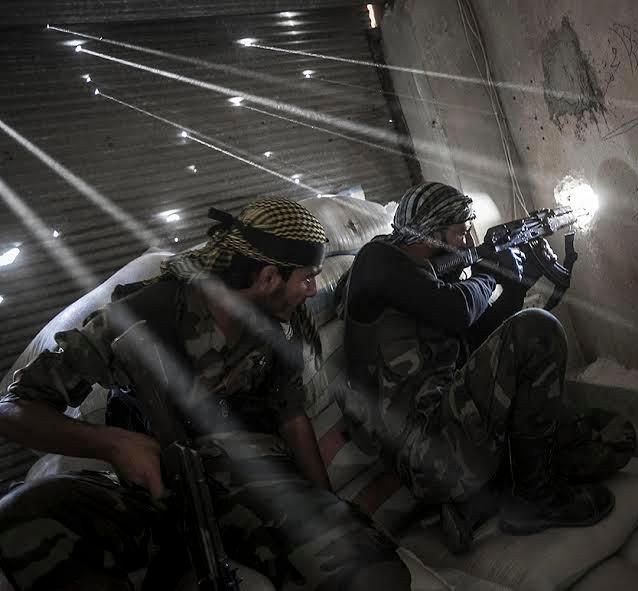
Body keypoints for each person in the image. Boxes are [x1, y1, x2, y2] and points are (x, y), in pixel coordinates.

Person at [0, 198, 411, 591]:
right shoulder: (143, 317)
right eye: (306, 278)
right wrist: (111, 444)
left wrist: (328, 504)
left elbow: (291, 416)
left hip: (253, 484)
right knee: (20, 515)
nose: (312, 289)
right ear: (268, 278)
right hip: (155, 490)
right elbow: (14, 407)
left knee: (371, 572)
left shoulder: (276, 325)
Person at [342, 182, 636, 553]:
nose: (469, 242)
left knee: (614, 436)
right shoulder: (378, 261)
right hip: (427, 449)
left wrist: (515, 286)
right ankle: (532, 501)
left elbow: (477, 342)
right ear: (430, 233)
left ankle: (493, 489)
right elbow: (456, 310)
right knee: (538, 329)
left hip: (459, 426)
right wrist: (491, 274)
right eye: (461, 232)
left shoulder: (431, 282)